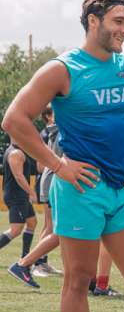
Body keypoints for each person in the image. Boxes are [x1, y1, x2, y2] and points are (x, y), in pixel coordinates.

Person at [2, 0, 124, 312]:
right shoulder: (62, 69)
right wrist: (57, 165)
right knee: (78, 280)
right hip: (80, 189)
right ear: (93, 21)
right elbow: (14, 119)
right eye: (118, 21)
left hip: (120, 190)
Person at [1, 141, 38, 287]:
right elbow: (18, 176)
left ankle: (25, 258)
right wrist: (32, 192)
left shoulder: (21, 150)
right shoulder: (15, 153)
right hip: (16, 196)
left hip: (20, 196)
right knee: (15, 230)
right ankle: (22, 265)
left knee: (32, 223)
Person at [31, 105, 61, 276]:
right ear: (48, 116)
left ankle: (43, 261)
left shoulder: (52, 131)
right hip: (50, 181)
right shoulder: (49, 132)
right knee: (50, 225)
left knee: (49, 225)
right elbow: (40, 166)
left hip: (50, 180)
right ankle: (37, 264)